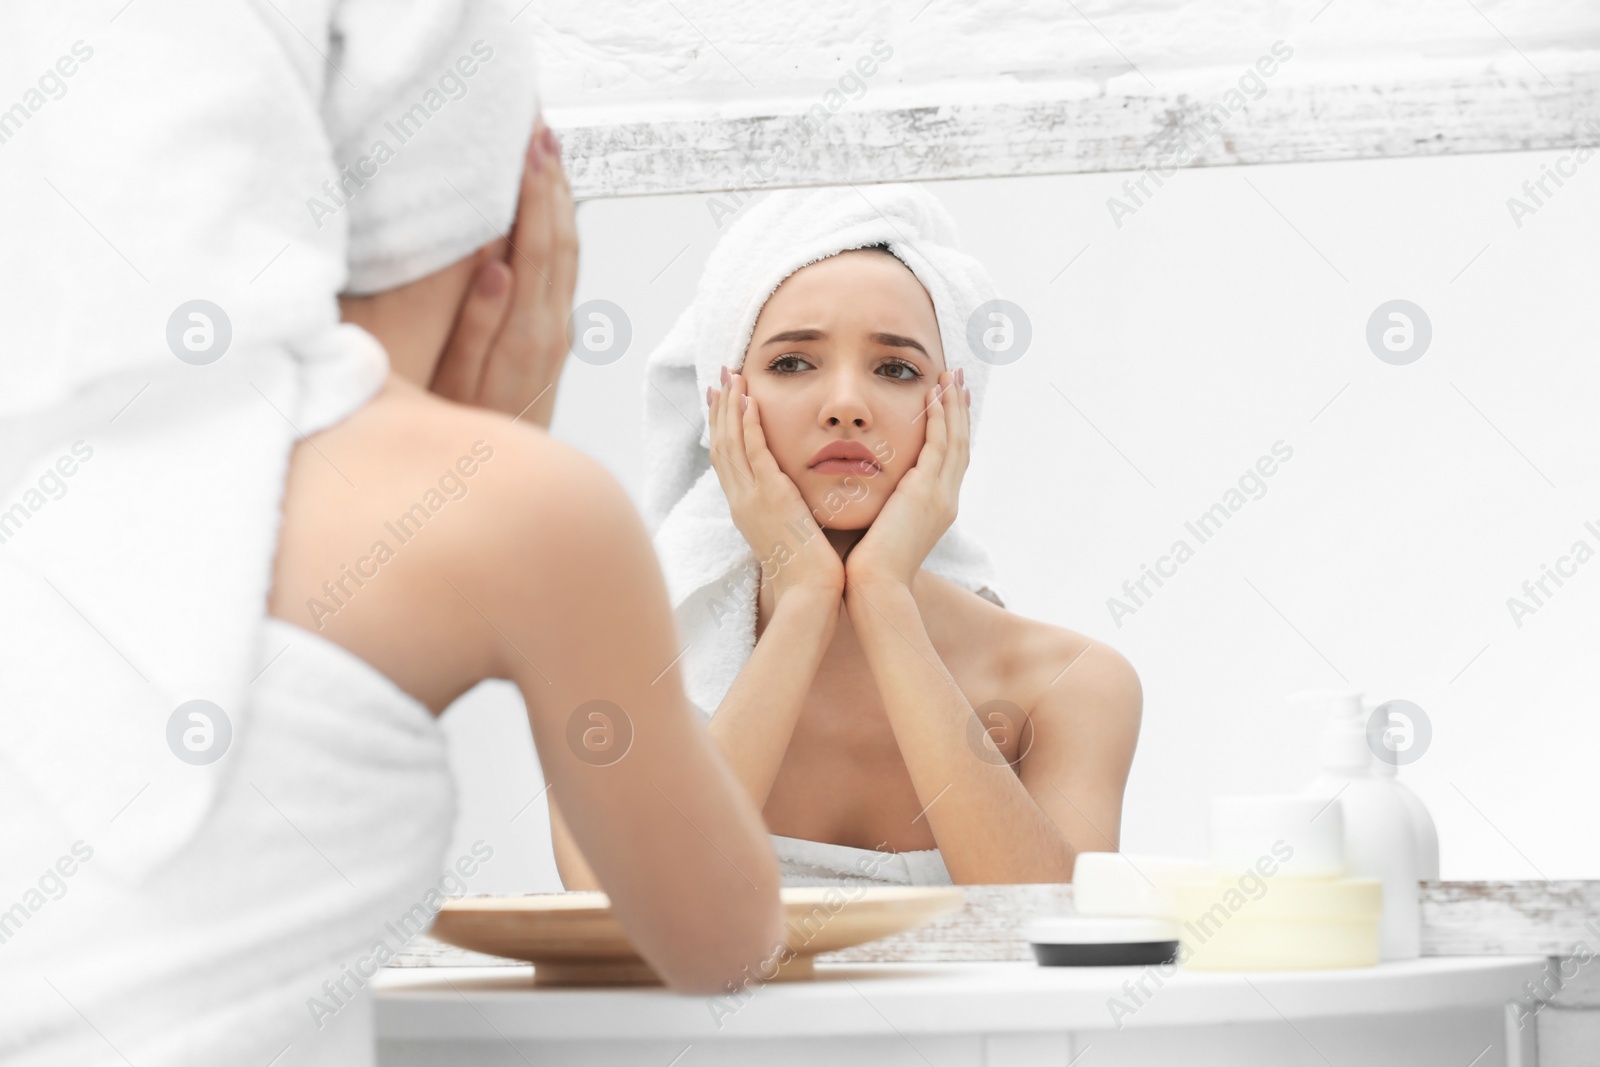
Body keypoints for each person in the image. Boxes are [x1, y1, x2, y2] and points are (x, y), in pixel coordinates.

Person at [0, 4, 782, 1065]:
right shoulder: (525, 513)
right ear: (508, 200)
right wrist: (488, 459)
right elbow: (722, 939)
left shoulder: (50, 477)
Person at [553, 186, 1143, 887]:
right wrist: (803, 601)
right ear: (724, 403)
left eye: (896, 369)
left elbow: (1051, 936)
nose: (845, 407)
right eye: (793, 362)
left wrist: (884, 598)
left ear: (956, 412)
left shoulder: (1066, 686)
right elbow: (630, 915)